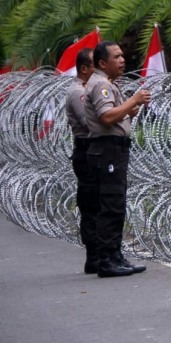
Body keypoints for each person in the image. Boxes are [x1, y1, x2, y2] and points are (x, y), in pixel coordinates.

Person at [84, 41, 151, 277]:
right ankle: (107, 261)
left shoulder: (105, 83)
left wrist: (128, 111)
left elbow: (114, 115)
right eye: (116, 57)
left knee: (115, 204)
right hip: (108, 150)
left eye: (123, 55)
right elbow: (106, 117)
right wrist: (132, 101)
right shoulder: (102, 84)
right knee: (111, 205)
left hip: (111, 149)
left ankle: (114, 255)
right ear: (103, 63)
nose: (122, 60)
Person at [65, 48, 100, 274]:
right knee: (91, 203)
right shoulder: (78, 92)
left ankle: (101, 253)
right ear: (85, 69)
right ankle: (94, 255)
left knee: (98, 201)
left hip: (93, 150)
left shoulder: (88, 90)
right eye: (95, 65)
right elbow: (91, 123)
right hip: (87, 150)